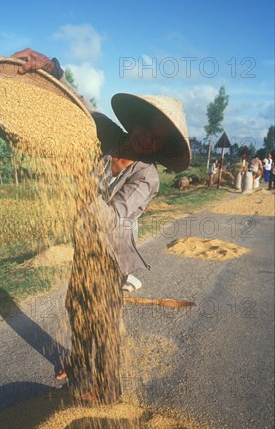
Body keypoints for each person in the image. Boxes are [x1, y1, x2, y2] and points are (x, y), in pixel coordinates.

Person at [12, 48, 190, 403]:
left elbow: (115, 218)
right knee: (75, 305)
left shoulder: (148, 177)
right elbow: (82, 107)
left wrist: (81, 182)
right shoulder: (107, 135)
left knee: (104, 324)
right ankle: (79, 368)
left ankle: (108, 394)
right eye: (146, 128)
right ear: (136, 122)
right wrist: (52, 67)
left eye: (157, 138)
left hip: (112, 253)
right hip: (85, 242)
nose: (147, 139)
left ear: (161, 145)